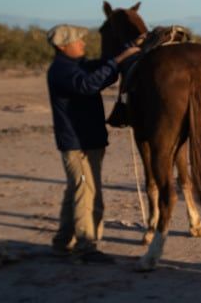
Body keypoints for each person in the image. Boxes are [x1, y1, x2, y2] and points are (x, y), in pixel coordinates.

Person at [45, 24, 139, 263]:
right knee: (87, 192)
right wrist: (118, 61)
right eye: (78, 41)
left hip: (88, 140)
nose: (83, 44)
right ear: (62, 46)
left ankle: (63, 241)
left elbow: (103, 72)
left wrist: (127, 50)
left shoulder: (76, 65)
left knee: (76, 191)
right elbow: (88, 85)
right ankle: (86, 247)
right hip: (78, 144)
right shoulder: (61, 70)